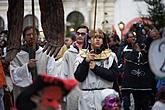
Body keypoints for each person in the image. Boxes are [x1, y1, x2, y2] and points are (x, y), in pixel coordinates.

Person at [73, 29, 119, 110]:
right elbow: (78, 77)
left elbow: (113, 76)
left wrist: (96, 68)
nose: (97, 39)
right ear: (90, 40)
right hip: (87, 97)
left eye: (100, 38)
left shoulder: (111, 56)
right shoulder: (81, 56)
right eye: (95, 37)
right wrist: (85, 62)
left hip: (105, 95)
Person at [10, 26, 57, 102]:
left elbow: (52, 73)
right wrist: (27, 67)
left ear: (37, 36)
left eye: (34, 34)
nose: (31, 37)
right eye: (28, 35)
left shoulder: (46, 53)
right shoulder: (17, 55)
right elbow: (13, 73)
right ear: (24, 37)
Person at [60, 25, 89, 110]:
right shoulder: (68, 53)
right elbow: (64, 74)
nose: (80, 36)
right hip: (73, 91)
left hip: (88, 91)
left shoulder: (91, 53)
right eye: (78, 33)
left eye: (83, 34)